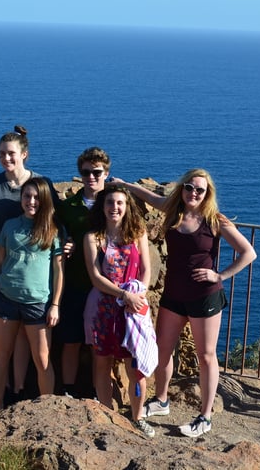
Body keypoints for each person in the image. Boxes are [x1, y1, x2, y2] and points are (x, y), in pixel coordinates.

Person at [116, 169, 256, 438]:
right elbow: (149, 196)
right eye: (189, 187)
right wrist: (125, 185)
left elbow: (248, 252)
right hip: (174, 294)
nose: (193, 193)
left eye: (200, 190)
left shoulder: (215, 220)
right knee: (162, 349)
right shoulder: (174, 210)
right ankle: (161, 400)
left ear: (207, 194)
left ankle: (205, 417)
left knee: (206, 356)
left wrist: (219, 274)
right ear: (182, 189)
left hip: (204, 296)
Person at [0, 125, 58, 402]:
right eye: (1, 154)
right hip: (3, 271)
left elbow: (55, 223)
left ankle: (21, 390)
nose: (5, 158)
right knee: (4, 345)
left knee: (29, 344)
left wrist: (65, 244)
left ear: (24, 154)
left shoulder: (40, 185)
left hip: (34, 281)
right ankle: (6, 397)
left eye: (10, 153)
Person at [0, 177, 63, 410]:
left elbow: (59, 271)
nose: (31, 201)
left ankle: (46, 411)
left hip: (37, 302)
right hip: (5, 298)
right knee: (0, 356)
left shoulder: (53, 229)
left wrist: (55, 304)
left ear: (45, 200)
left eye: (37, 197)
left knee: (43, 360)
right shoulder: (10, 226)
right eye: (27, 196)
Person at [83, 185, 155, 438]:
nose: (115, 207)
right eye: (110, 203)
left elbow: (146, 269)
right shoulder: (94, 238)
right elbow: (96, 277)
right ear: (102, 207)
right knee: (102, 363)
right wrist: (123, 295)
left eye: (120, 203)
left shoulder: (137, 233)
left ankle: (137, 418)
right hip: (103, 309)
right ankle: (105, 416)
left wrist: (138, 296)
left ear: (127, 207)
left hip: (132, 311)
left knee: (135, 367)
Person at [55, 146, 111, 398]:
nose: (91, 177)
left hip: (107, 284)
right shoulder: (68, 207)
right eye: (86, 172)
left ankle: (101, 393)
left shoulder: (114, 204)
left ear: (106, 173)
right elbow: (56, 236)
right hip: (76, 281)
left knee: (103, 343)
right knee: (71, 339)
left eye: (97, 172)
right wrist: (64, 246)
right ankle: (68, 390)